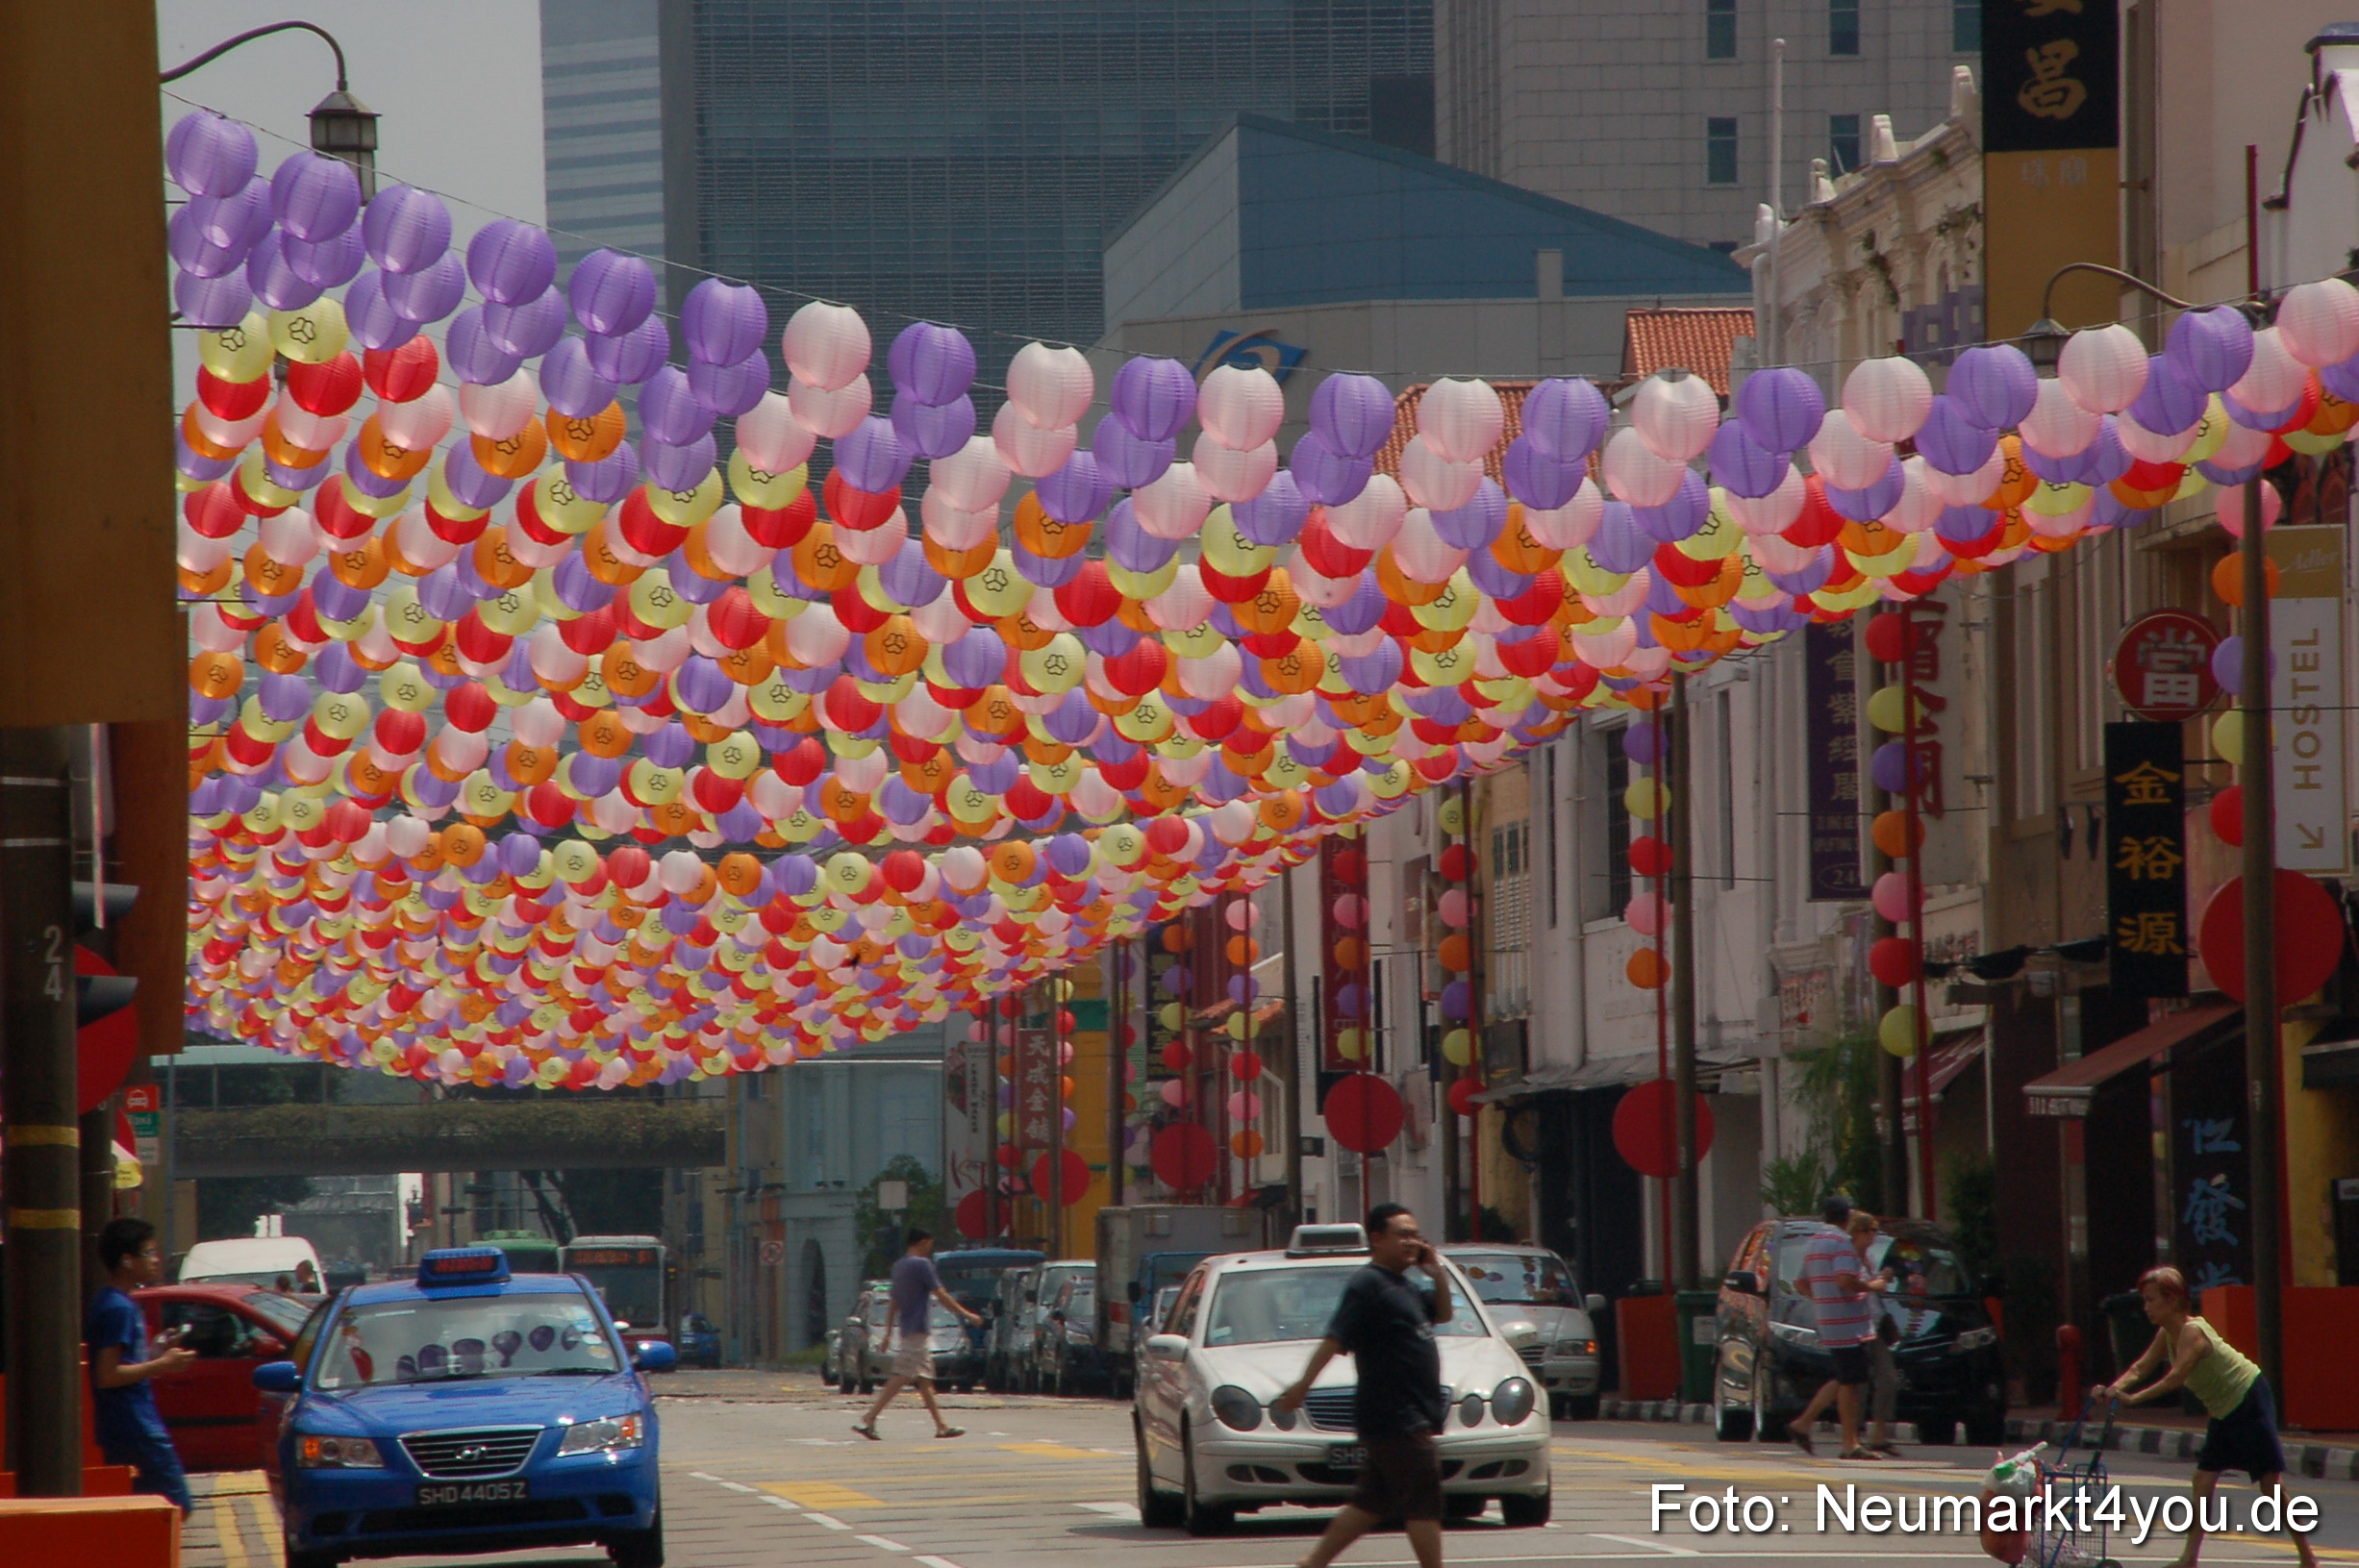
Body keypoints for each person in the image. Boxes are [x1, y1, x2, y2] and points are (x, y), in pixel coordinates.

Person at [2093, 1267, 2317, 1568]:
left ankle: (2308, 1557)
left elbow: (2176, 1377)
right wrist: (2112, 1390)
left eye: (2151, 1300)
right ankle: (2189, 1559)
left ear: (2172, 1300)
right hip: (2224, 1409)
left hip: (2248, 1399)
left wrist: (2133, 1399)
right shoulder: (2167, 1334)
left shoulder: (2193, 1333)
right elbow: (2140, 1368)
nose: (2146, 1307)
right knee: (2202, 1479)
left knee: (2270, 1486)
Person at [1274, 1205, 1453, 1568]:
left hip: (1409, 1412)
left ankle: (1313, 1562)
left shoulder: (1404, 1286)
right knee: (1423, 1500)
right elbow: (1334, 1339)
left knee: (1371, 1502)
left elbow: (1444, 1313)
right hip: (1395, 1414)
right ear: (1377, 1239)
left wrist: (1437, 1274)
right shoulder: (1368, 1285)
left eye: (1415, 1235)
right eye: (1402, 1234)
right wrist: (1301, 1387)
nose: (1411, 1242)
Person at [88, 1217, 197, 1513]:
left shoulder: (117, 1301)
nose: (156, 1260)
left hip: (128, 1426)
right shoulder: (117, 1308)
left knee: (142, 1513)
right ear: (126, 1260)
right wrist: (163, 1364)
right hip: (135, 1427)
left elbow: (123, 1364)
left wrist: (155, 1351)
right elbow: (108, 1375)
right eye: (149, 1253)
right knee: (175, 1507)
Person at [1787, 1195, 1892, 1459]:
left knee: (1847, 1377)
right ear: (1846, 1218)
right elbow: (1845, 1280)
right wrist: (1872, 1286)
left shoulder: (1815, 1242)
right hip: (1848, 1324)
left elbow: (1800, 1283)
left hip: (1830, 1321)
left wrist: (1823, 1300)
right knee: (1851, 1382)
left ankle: (1805, 1423)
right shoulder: (1841, 1243)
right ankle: (1848, 1443)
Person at [855, 1229, 981, 1440]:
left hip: (908, 1328)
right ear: (923, 1242)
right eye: (929, 1245)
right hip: (917, 1329)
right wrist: (967, 1314)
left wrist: (887, 1332)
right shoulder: (922, 1265)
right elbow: (940, 1294)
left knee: (924, 1380)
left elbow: (893, 1300)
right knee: (902, 1375)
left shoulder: (899, 1266)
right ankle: (870, 1416)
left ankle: (941, 1426)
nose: (930, 1249)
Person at [1847, 1210, 1903, 1456]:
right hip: (1854, 1324)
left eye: (1875, 1231)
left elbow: (1869, 1288)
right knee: (1856, 1382)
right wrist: (1876, 1282)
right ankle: (1853, 1436)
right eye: (1869, 1231)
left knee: (1888, 1378)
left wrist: (1881, 1278)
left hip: (1875, 1325)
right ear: (1857, 1232)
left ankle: (1878, 1433)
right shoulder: (1847, 1257)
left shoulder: (1868, 1258)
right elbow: (1848, 1286)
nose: (1873, 1236)